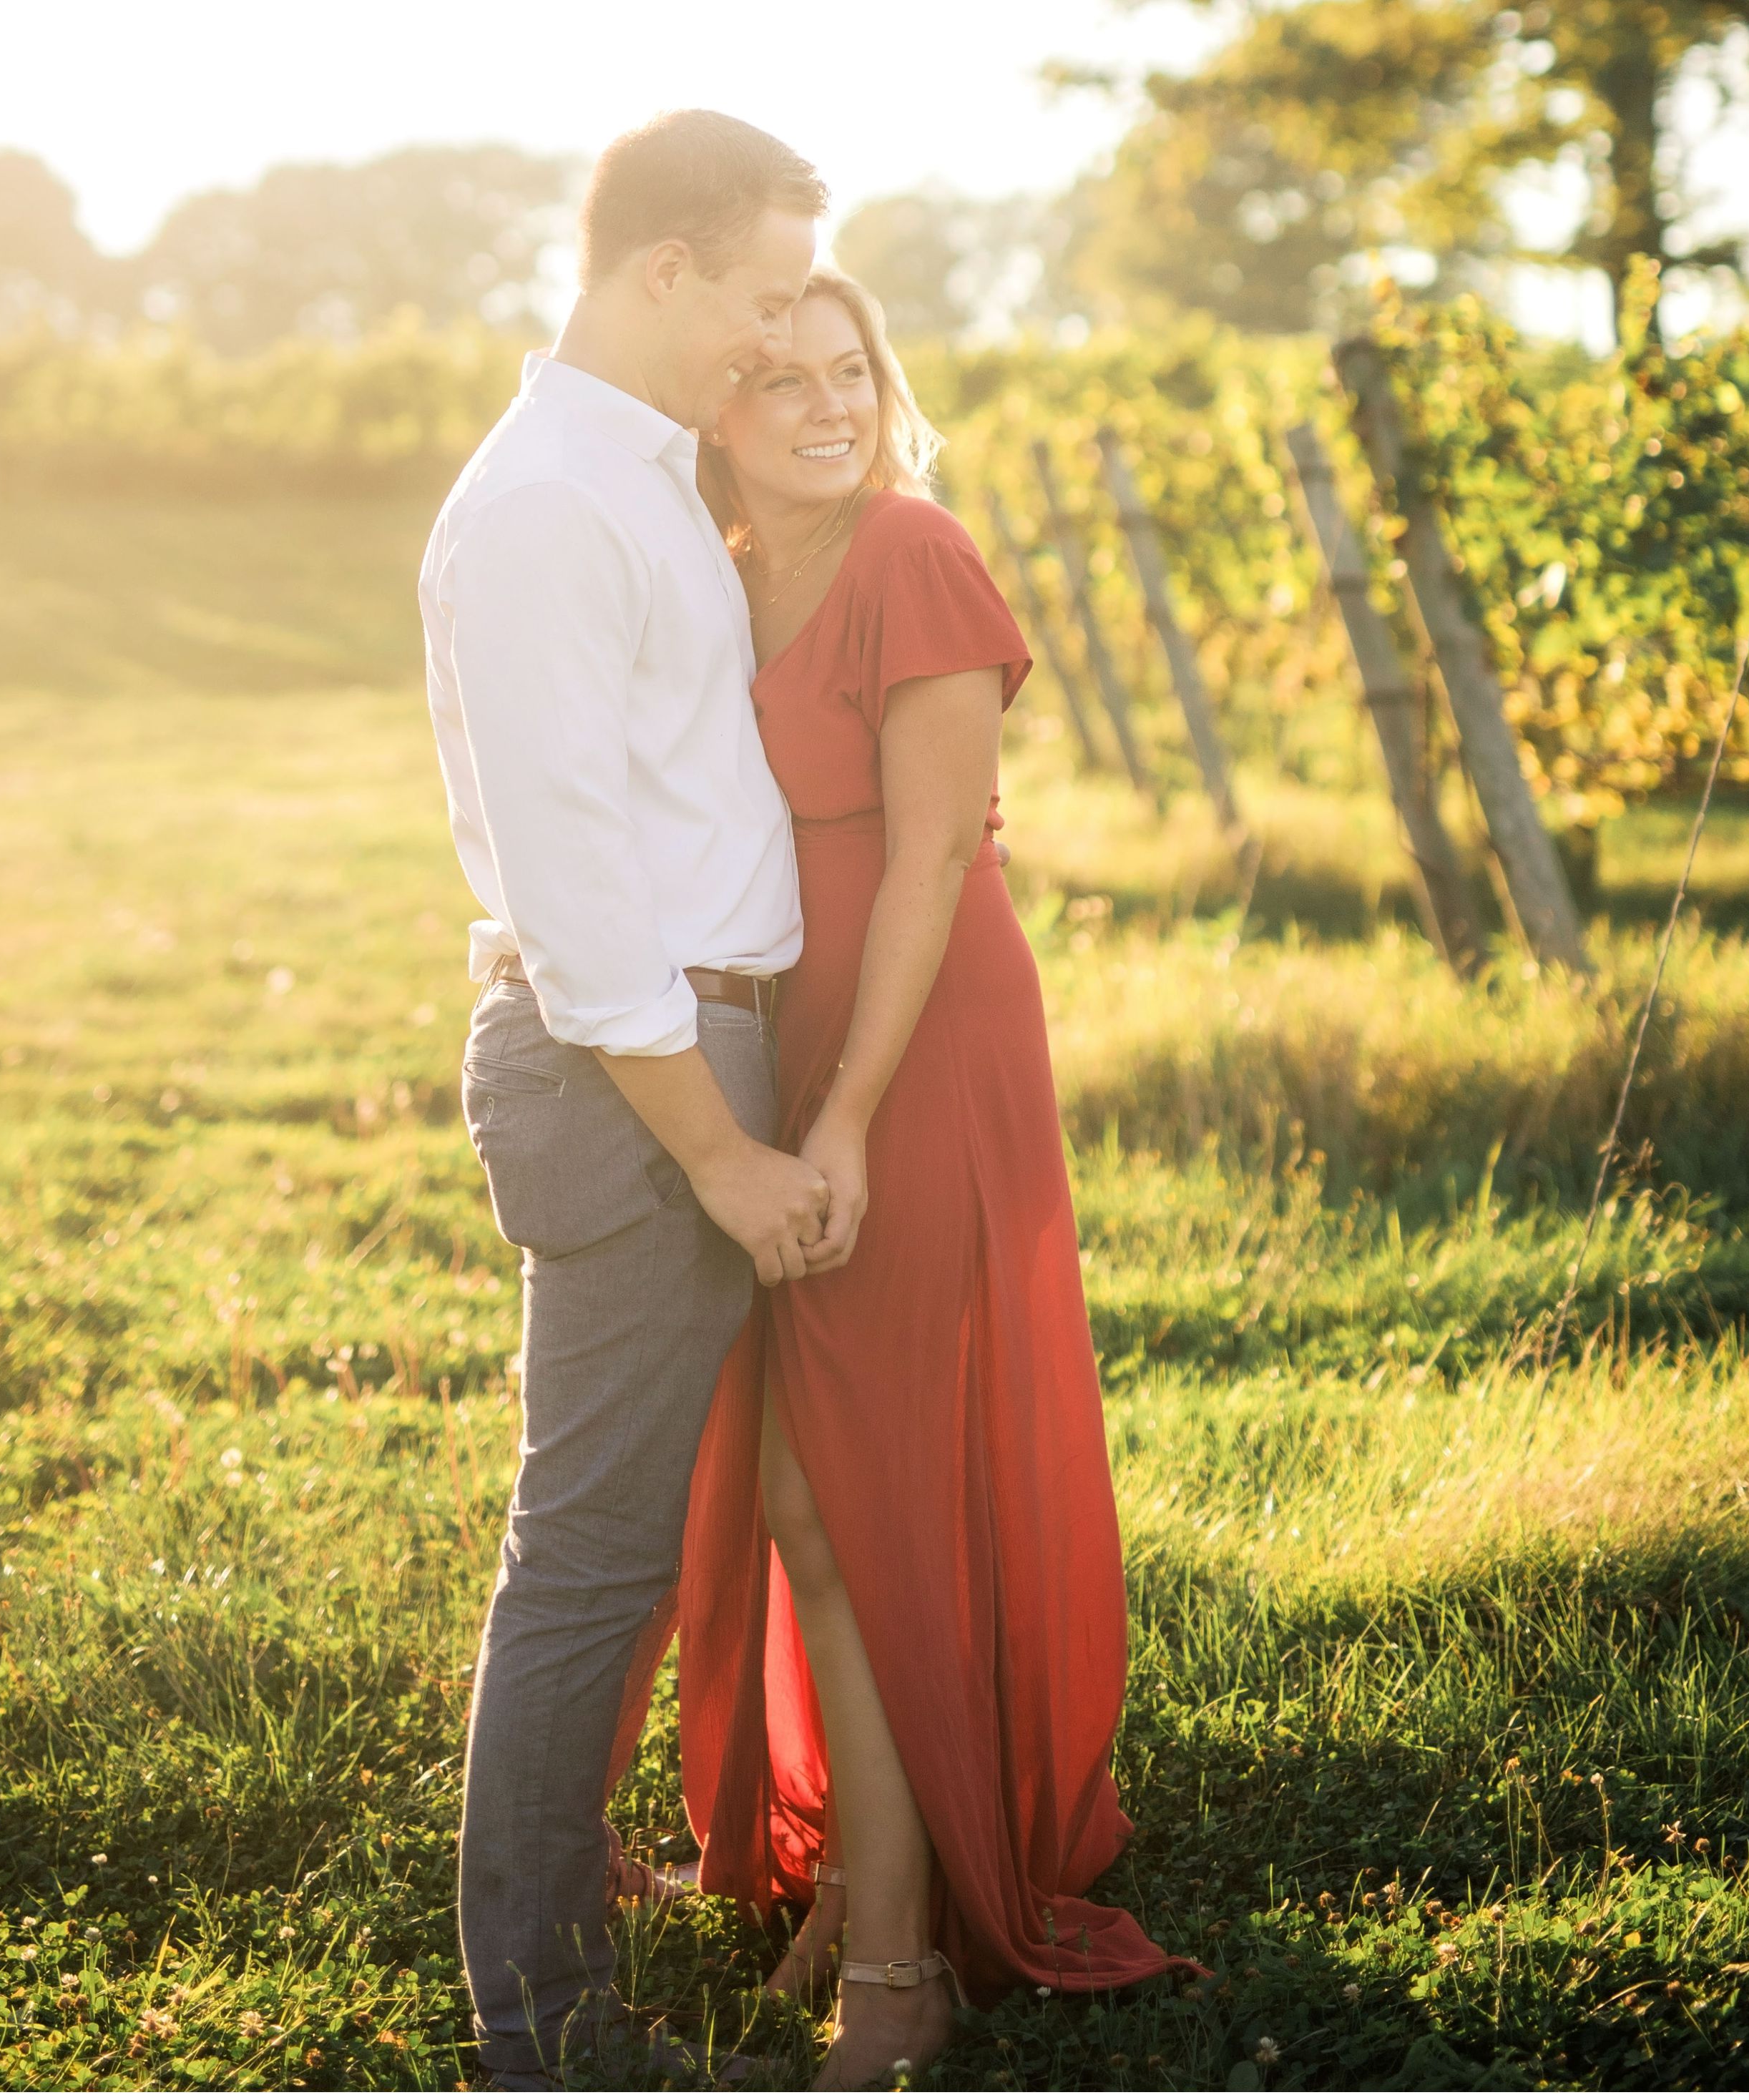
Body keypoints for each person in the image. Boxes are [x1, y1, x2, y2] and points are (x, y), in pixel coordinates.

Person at [677, 270, 1185, 2090]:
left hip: (913, 1052)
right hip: (776, 1053)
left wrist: (847, 1116)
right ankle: (871, 1885)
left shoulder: (914, 549)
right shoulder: (716, 569)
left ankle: (897, 1964)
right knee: (807, 1495)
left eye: (853, 369)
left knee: (854, 1486)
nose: (829, 402)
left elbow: (927, 867)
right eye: (783, 378)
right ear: (716, 411)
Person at [420, 109, 841, 2093]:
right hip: (635, 1074)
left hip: (695, 1043)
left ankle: (563, 1928)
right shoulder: (541, 512)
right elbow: (586, 897)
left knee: (622, 1539)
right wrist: (722, 1149)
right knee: (585, 1549)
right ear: (659, 266)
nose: (772, 344)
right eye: (756, 299)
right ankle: (548, 2034)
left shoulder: (641, 478)